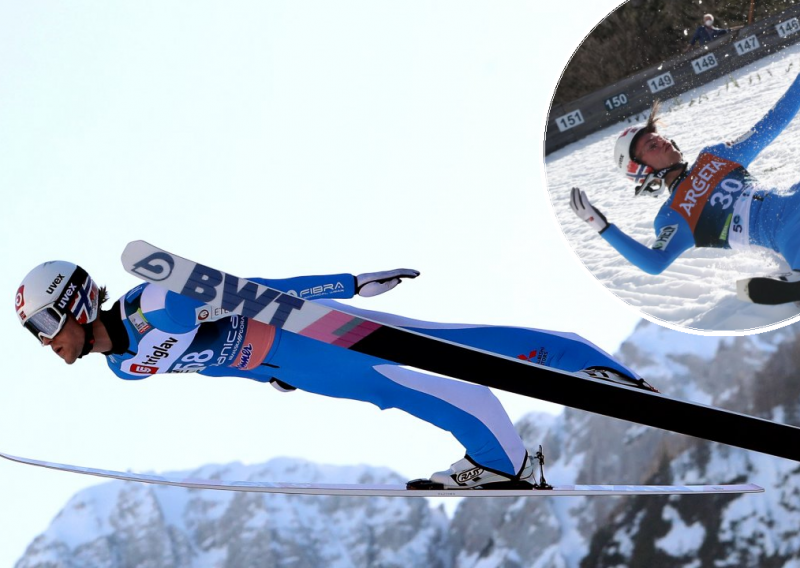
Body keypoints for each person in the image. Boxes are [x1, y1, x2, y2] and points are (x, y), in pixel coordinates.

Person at [16, 260, 640, 489]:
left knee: (446, 358)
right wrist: (270, 379)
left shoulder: (156, 303)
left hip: (309, 333)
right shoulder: (124, 368)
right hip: (292, 367)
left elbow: (255, 292)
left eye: (45, 326)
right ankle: (506, 462)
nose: (48, 343)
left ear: (71, 303)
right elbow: (209, 365)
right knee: (408, 395)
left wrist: (348, 284)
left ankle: (582, 363)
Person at [570, 71, 800, 305]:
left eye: (659, 137)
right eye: (652, 145)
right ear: (642, 170)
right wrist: (602, 227)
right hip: (787, 234)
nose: (663, 141)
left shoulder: (715, 155)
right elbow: (655, 263)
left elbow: (773, 121)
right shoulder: (672, 216)